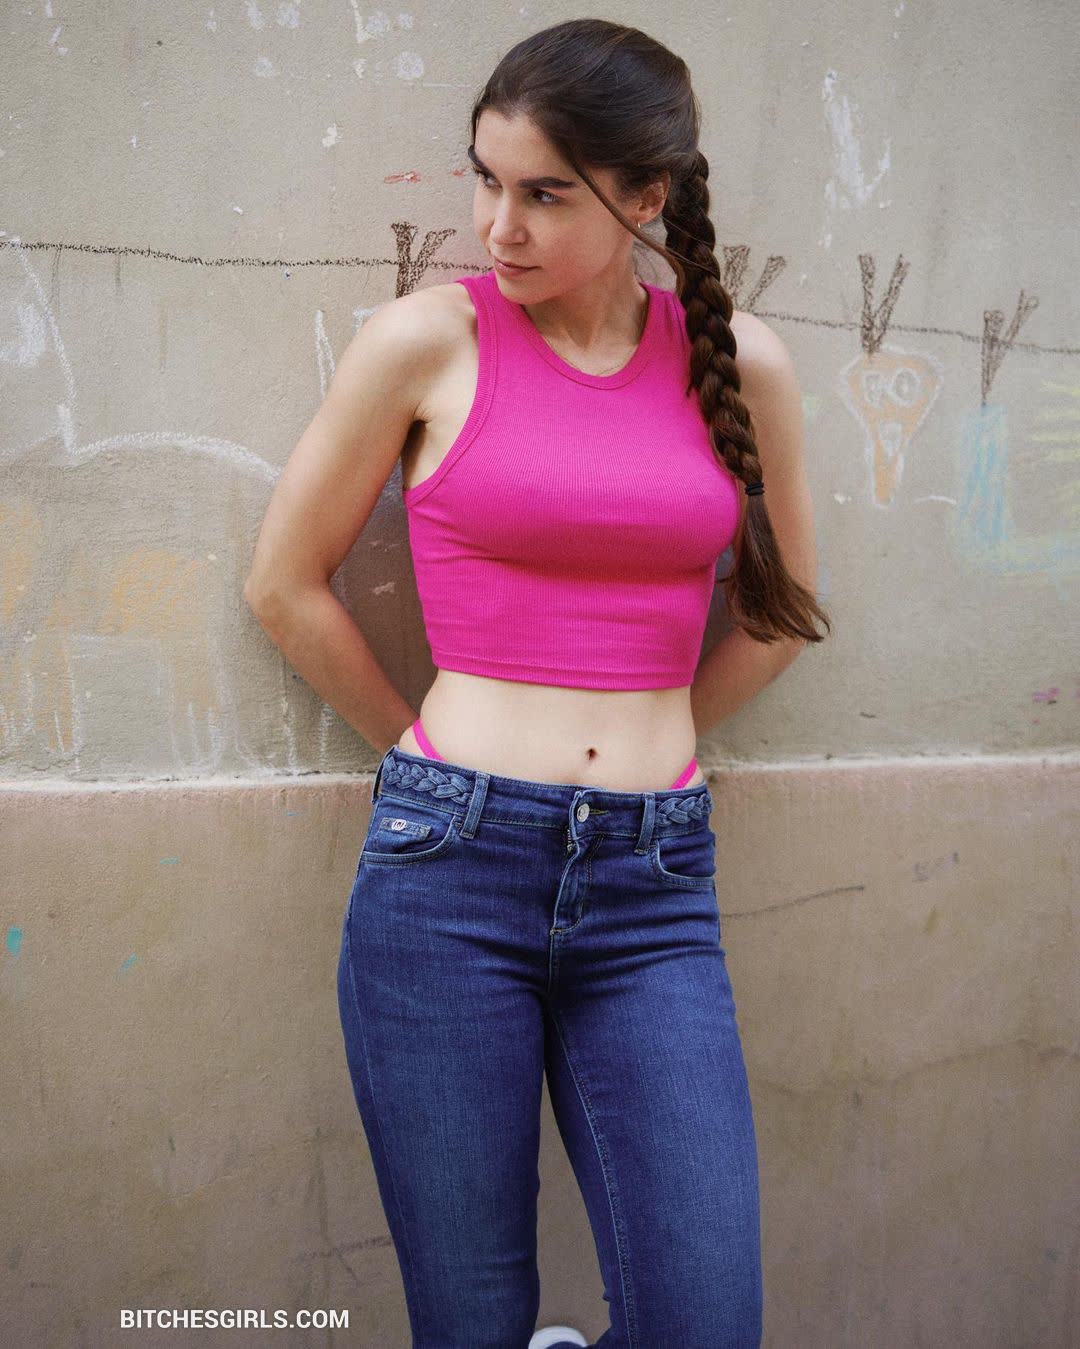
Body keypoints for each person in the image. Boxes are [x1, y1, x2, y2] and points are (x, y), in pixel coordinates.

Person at [245, 18, 831, 1349]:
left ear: (648, 196)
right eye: (486, 180)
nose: (498, 227)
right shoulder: (426, 342)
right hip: (447, 878)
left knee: (704, 1323)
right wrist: (427, 761)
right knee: (469, 1321)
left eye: (546, 193)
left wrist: (659, 736)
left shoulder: (740, 365)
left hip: (653, 888)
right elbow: (284, 582)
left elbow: (783, 610)